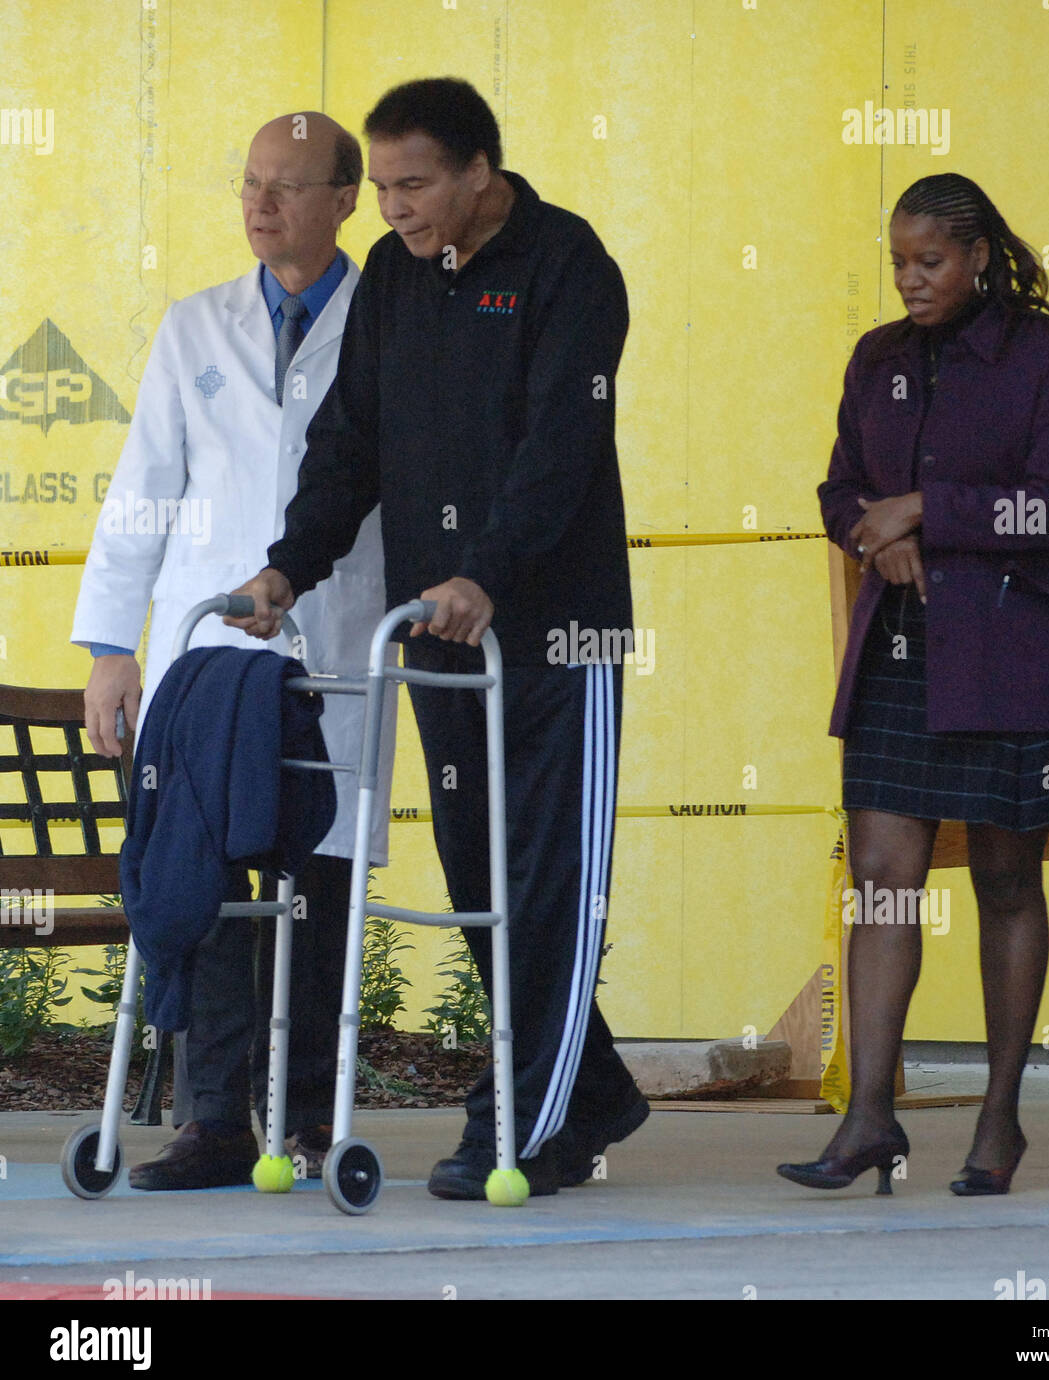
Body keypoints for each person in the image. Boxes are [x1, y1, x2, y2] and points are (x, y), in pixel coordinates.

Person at [229, 77, 648, 1199]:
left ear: (480, 173)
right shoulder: (397, 284)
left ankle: (519, 1121)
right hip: (437, 632)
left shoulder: (569, 266)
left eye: (414, 184)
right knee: (477, 875)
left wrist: (488, 572)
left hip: (557, 638)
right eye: (379, 187)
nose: (393, 208)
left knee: (545, 877)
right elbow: (348, 444)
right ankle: (591, 1085)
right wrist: (287, 568)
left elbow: (562, 445)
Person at [72, 111, 395, 1189]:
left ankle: (306, 1116)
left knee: (319, 868)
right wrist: (113, 645)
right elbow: (141, 490)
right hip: (205, 647)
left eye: (288, 187)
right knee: (199, 865)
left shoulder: (390, 323)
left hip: (336, 637)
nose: (260, 205)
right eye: (250, 183)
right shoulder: (191, 326)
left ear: (346, 197)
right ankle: (210, 1119)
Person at [779, 172, 1049, 1197]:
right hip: (901, 652)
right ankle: (868, 1116)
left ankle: (997, 1122)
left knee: (1008, 881)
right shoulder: (876, 357)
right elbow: (840, 488)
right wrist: (870, 537)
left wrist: (923, 506)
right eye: (897, 263)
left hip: (1014, 658)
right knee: (880, 879)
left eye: (928, 262)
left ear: (976, 257)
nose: (910, 281)